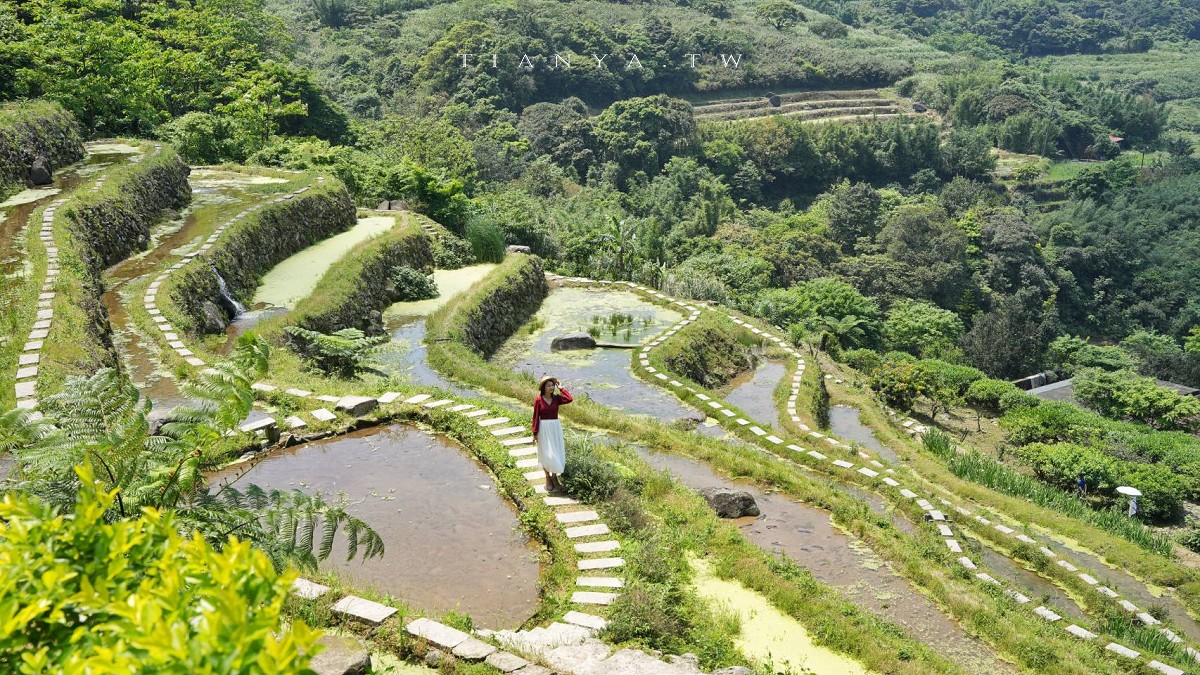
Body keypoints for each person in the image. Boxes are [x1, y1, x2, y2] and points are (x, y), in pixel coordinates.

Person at [533, 376, 572, 493]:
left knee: (555, 452)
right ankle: (547, 477)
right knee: (545, 453)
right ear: (543, 388)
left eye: (552, 385)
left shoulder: (557, 399)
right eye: (548, 385)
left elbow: (569, 399)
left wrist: (561, 388)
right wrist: (535, 433)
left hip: (555, 428)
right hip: (543, 428)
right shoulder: (538, 400)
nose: (551, 387)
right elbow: (535, 417)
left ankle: (554, 477)